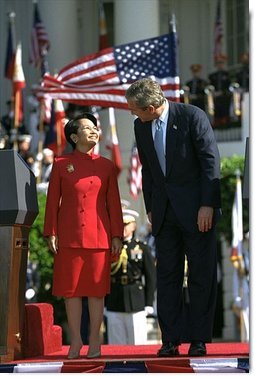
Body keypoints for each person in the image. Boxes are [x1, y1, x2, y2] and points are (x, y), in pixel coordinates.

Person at [125, 78, 221, 357]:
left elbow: (210, 162)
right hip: (164, 213)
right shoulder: (140, 125)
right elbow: (147, 169)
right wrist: (151, 207)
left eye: (135, 109)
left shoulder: (192, 116)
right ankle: (170, 340)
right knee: (167, 276)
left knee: (201, 275)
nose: (133, 113)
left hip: (196, 212)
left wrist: (208, 205)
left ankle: (199, 339)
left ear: (152, 107)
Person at [43, 112, 123, 359]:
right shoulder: (60, 163)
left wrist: (117, 235)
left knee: (97, 291)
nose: (94, 131)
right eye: (87, 128)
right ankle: (76, 340)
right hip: (69, 235)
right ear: (75, 136)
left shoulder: (107, 166)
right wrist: (51, 232)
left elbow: (114, 204)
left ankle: (94, 339)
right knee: (72, 291)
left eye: (95, 128)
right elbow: (52, 201)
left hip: (99, 236)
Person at [105, 209, 156, 345]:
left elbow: (151, 276)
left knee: (137, 342)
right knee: (116, 343)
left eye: (125, 225)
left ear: (133, 226)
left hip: (136, 300)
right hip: (115, 299)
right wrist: (104, 302)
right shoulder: (110, 248)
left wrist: (149, 302)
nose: (122, 228)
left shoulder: (142, 248)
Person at [208, 55, 231, 126]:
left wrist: (222, 92)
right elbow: (210, 86)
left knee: (225, 112)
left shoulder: (228, 74)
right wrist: (213, 92)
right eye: (218, 63)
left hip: (225, 97)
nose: (220, 65)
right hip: (215, 97)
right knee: (216, 112)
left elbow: (230, 87)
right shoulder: (212, 76)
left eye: (221, 63)